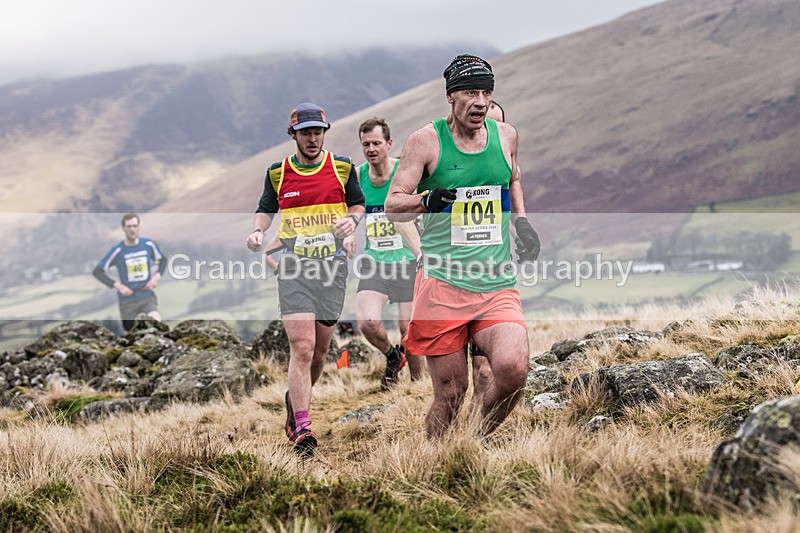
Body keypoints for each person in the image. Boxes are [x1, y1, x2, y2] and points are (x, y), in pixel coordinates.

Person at [385, 54, 541, 439]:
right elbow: (392, 204)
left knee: (513, 370)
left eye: (487, 92)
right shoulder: (425, 141)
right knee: (452, 393)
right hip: (442, 284)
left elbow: (512, 177)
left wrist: (521, 222)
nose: (481, 102)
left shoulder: (506, 136)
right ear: (450, 97)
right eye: (471, 92)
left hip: (495, 281)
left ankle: (475, 441)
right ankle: (434, 462)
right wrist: (425, 200)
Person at [246, 102, 365, 457]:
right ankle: (302, 426)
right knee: (302, 348)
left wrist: (352, 223)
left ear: (324, 132)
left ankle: (293, 398)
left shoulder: (342, 167)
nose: (312, 138)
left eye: (317, 132)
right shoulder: (278, 172)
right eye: (305, 133)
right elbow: (266, 210)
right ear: (293, 135)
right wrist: (256, 232)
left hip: (332, 269)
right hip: (295, 268)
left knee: (320, 353)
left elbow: (357, 205)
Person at [353, 117, 425, 390]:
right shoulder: (358, 178)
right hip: (375, 264)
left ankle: (417, 388)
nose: (371, 149)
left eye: (376, 143)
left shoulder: (402, 173)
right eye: (365, 144)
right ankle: (393, 357)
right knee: (368, 322)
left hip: (407, 261)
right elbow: (350, 211)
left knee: (409, 330)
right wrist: (348, 233)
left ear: (389, 143)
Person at [93, 213, 167, 331]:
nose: (132, 229)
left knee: (156, 323)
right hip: (128, 302)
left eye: (135, 226)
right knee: (134, 334)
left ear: (138, 227)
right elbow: (98, 272)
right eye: (129, 226)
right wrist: (118, 286)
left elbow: (162, 260)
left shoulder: (148, 244)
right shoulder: (118, 250)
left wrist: (156, 277)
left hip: (147, 296)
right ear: (123, 228)